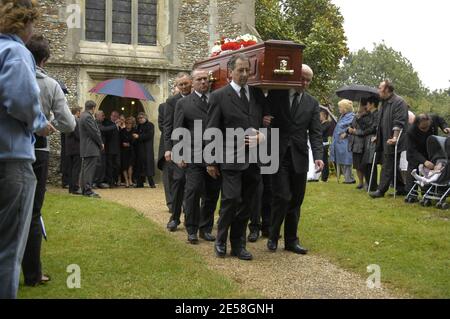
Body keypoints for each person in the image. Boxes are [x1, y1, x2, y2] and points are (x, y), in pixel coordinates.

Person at [0, 0, 54, 299]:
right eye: (32, 24)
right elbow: (20, 99)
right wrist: (40, 123)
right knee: (8, 249)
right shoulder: (16, 51)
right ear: (23, 23)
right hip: (11, 159)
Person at [21, 34, 76, 288]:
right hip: (38, 150)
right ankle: (32, 275)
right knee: (32, 213)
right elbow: (69, 123)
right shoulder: (50, 84)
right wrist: (48, 124)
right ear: (45, 58)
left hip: (7, 147)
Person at [206, 53, 268, 261]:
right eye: (240, 70)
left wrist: (263, 135)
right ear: (229, 72)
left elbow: (266, 122)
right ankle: (221, 240)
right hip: (230, 158)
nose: (244, 74)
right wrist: (211, 161)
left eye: (247, 70)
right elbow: (212, 130)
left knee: (248, 204)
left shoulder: (258, 95)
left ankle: (238, 244)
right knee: (231, 199)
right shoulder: (219, 96)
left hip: (253, 160)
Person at [265, 64, 324, 255]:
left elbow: (315, 132)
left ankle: (291, 240)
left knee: (296, 199)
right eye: (303, 78)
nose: (305, 83)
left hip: (299, 156)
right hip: (277, 152)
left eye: (308, 80)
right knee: (282, 196)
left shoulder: (312, 103)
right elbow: (262, 118)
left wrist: (318, 157)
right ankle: (273, 236)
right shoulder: (276, 95)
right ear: (295, 76)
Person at [172, 69, 220, 244]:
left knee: (212, 193)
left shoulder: (217, 99)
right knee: (192, 192)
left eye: (205, 79)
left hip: (215, 155)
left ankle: (205, 228)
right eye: (199, 79)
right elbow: (178, 130)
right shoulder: (183, 104)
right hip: (194, 155)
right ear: (192, 82)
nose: (203, 82)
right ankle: (191, 229)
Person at [370, 80, 409, 198]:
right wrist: (378, 136)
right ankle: (402, 188)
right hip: (384, 137)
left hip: (393, 139)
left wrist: (395, 137)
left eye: (380, 87)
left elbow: (399, 122)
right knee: (392, 163)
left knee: (388, 163)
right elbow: (381, 122)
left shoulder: (399, 102)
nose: (378, 90)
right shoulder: (384, 103)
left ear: (387, 89)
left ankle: (381, 190)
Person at [164, 73, 192, 231]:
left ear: (191, 83)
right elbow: (168, 126)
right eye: (180, 84)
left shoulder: (198, 98)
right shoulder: (172, 102)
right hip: (178, 146)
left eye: (186, 83)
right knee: (179, 182)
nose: (183, 87)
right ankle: (174, 217)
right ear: (177, 86)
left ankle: (190, 217)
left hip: (196, 146)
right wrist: (168, 148)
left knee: (193, 185)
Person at [405, 113, 449, 194]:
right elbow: (412, 150)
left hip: (430, 149)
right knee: (413, 169)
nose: (426, 129)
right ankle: (411, 193)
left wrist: (445, 127)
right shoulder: (410, 132)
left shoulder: (433, 118)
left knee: (431, 170)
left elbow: (440, 119)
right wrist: (424, 161)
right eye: (423, 128)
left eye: (428, 127)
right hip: (415, 153)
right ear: (417, 124)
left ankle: (427, 191)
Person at [79, 101, 104, 198]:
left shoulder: (83, 116)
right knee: (89, 170)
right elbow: (94, 132)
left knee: (85, 169)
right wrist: (100, 142)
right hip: (90, 147)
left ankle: (84, 189)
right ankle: (88, 190)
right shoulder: (88, 117)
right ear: (93, 108)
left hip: (86, 147)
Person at [347, 102, 372, 189]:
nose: (358, 107)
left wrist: (355, 131)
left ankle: (366, 182)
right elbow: (351, 125)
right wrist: (348, 130)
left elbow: (366, 130)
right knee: (357, 165)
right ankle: (360, 182)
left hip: (363, 143)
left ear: (364, 106)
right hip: (354, 144)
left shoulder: (369, 117)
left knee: (363, 165)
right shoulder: (355, 116)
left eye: (360, 105)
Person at [330, 99, 355, 184]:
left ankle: (349, 179)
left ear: (345, 108)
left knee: (346, 160)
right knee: (342, 160)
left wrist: (346, 134)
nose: (339, 109)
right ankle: (348, 178)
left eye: (340, 107)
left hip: (345, 142)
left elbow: (352, 128)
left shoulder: (351, 116)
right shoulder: (343, 116)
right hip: (340, 142)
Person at [361, 96, 380, 192]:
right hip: (368, 140)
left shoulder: (377, 114)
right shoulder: (370, 114)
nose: (366, 106)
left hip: (373, 141)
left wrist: (364, 132)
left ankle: (373, 185)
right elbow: (366, 126)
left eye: (368, 104)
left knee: (370, 163)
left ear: (372, 104)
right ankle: (371, 184)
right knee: (366, 164)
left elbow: (374, 128)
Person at [157, 101, 173, 213]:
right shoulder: (163, 106)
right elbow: (162, 125)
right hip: (168, 145)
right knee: (168, 177)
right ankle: (171, 203)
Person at [133, 112, 156, 188]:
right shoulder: (138, 126)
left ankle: (151, 183)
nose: (140, 119)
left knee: (148, 166)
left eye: (141, 118)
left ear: (145, 117)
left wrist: (138, 136)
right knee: (139, 166)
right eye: (138, 118)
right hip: (139, 149)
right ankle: (140, 183)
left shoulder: (150, 125)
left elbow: (149, 135)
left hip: (147, 149)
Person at [65, 107, 82, 194]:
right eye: (80, 112)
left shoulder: (68, 120)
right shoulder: (75, 120)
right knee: (76, 169)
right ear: (77, 112)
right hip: (76, 148)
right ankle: (75, 188)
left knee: (71, 169)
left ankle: (71, 188)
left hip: (69, 148)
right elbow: (78, 135)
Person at [120, 117, 136, 188]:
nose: (128, 124)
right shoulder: (122, 131)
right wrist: (122, 144)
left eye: (130, 123)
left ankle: (130, 180)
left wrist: (130, 144)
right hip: (123, 150)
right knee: (124, 166)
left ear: (132, 124)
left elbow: (136, 140)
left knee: (130, 165)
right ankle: (126, 181)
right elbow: (119, 140)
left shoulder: (134, 131)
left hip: (131, 150)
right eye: (127, 123)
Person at [320, 109, 335, 182]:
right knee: (322, 160)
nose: (319, 117)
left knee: (324, 160)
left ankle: (324, 177)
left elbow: (321, 131)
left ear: (324, 116)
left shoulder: (327, 123)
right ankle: (322, 176)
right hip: (320, 143)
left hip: (325, 143)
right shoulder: (321, 123)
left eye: (320, 115)